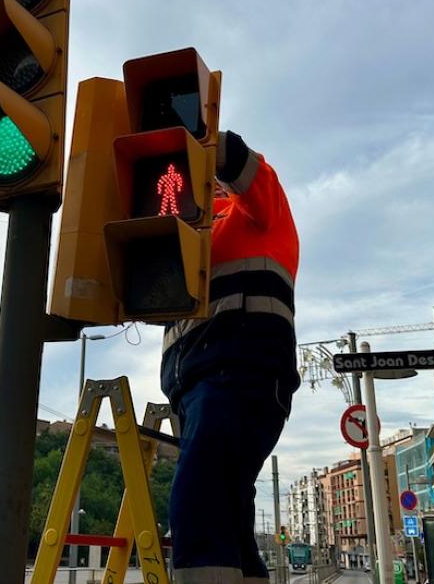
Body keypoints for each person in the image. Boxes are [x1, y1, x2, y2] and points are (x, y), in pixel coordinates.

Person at [161, 130, 299, 583]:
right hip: (200, 391)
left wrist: (203, 141)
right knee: (228, 515)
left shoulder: (259, 213)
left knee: (197, 503)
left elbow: (249, 170)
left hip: (238, 378)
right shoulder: (179, 242)